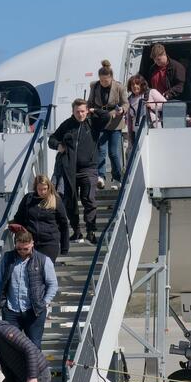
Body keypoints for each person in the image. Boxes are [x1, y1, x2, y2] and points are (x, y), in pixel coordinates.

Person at [49, 98, 105, 244]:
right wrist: (59, 145)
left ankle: (91, 232)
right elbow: (52, 139)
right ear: (73, 112)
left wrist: (94, 110)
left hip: (88, 169)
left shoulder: (93, 123)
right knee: (70, 202)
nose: (80, 114)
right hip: (70, 170)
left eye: (83, 111)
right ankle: (77, 232)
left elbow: (106, 116)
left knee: (89, 200)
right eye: (77, 111)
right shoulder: (67, 125)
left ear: (87, 110)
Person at [0, 228, 58, 349]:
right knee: (11, 347)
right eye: (19, 249)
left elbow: (52, 284)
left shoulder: (44, 260)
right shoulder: (7, 258)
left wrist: (45, 303)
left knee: (34, 347)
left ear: (32, 244)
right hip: (11, 310)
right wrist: (2, 303)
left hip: (34, 312)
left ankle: (35, 368)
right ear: (15, 245)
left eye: (25, 249)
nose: (22, 251)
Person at [87, 59, 129, 189]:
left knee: (113, 153)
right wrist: (88, 110)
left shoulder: (119, 87)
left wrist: (122, 109)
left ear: (111, 78)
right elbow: (90, 102)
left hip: (115, 122)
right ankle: (101, 176)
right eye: (101, 80)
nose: (103, 83)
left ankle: (117, 178)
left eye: (106, 81)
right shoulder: (94, 86)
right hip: (100, 121)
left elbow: (125, 103)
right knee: (101, 150)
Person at [9, 174, 69, 263]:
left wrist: (65, 247)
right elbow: (19, 218)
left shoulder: (55, 200)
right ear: (35, 188)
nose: (42, 192)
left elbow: (64, 224)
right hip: (30, 243)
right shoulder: (28, 199)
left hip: (49, 243)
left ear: (49, 187)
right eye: (40, 189)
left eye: (45, 189)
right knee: (31, 271)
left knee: (45, 270)